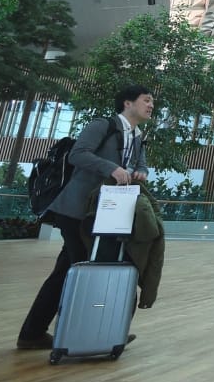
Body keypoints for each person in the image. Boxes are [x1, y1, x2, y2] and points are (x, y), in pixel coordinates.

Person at [16, 84, 154, 350]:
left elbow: (141, 163)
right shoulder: (102, 125)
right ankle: (91, 333)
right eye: (146, 100)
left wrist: (141, 171)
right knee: (87, 269)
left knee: (68, 270)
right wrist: (112, 167)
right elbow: (79, 154)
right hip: (76, 210)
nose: (151, 106)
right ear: (127, 103)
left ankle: (34, 333)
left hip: (103, 212)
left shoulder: (137, 135)